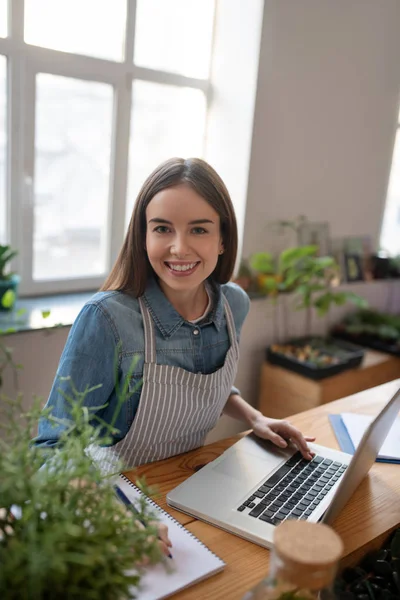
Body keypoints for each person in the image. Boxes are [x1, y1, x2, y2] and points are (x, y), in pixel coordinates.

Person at [35, 157, 315, 554]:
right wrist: (115, 515)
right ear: (142, 236)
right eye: (162, 228)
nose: (179, 248)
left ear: (222, 239)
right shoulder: (107, 318)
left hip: (189, 489)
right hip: (111, 499)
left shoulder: (234, 305)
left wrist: (255, 417)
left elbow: (205, 385)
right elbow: (52, 447)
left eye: (198, 229)